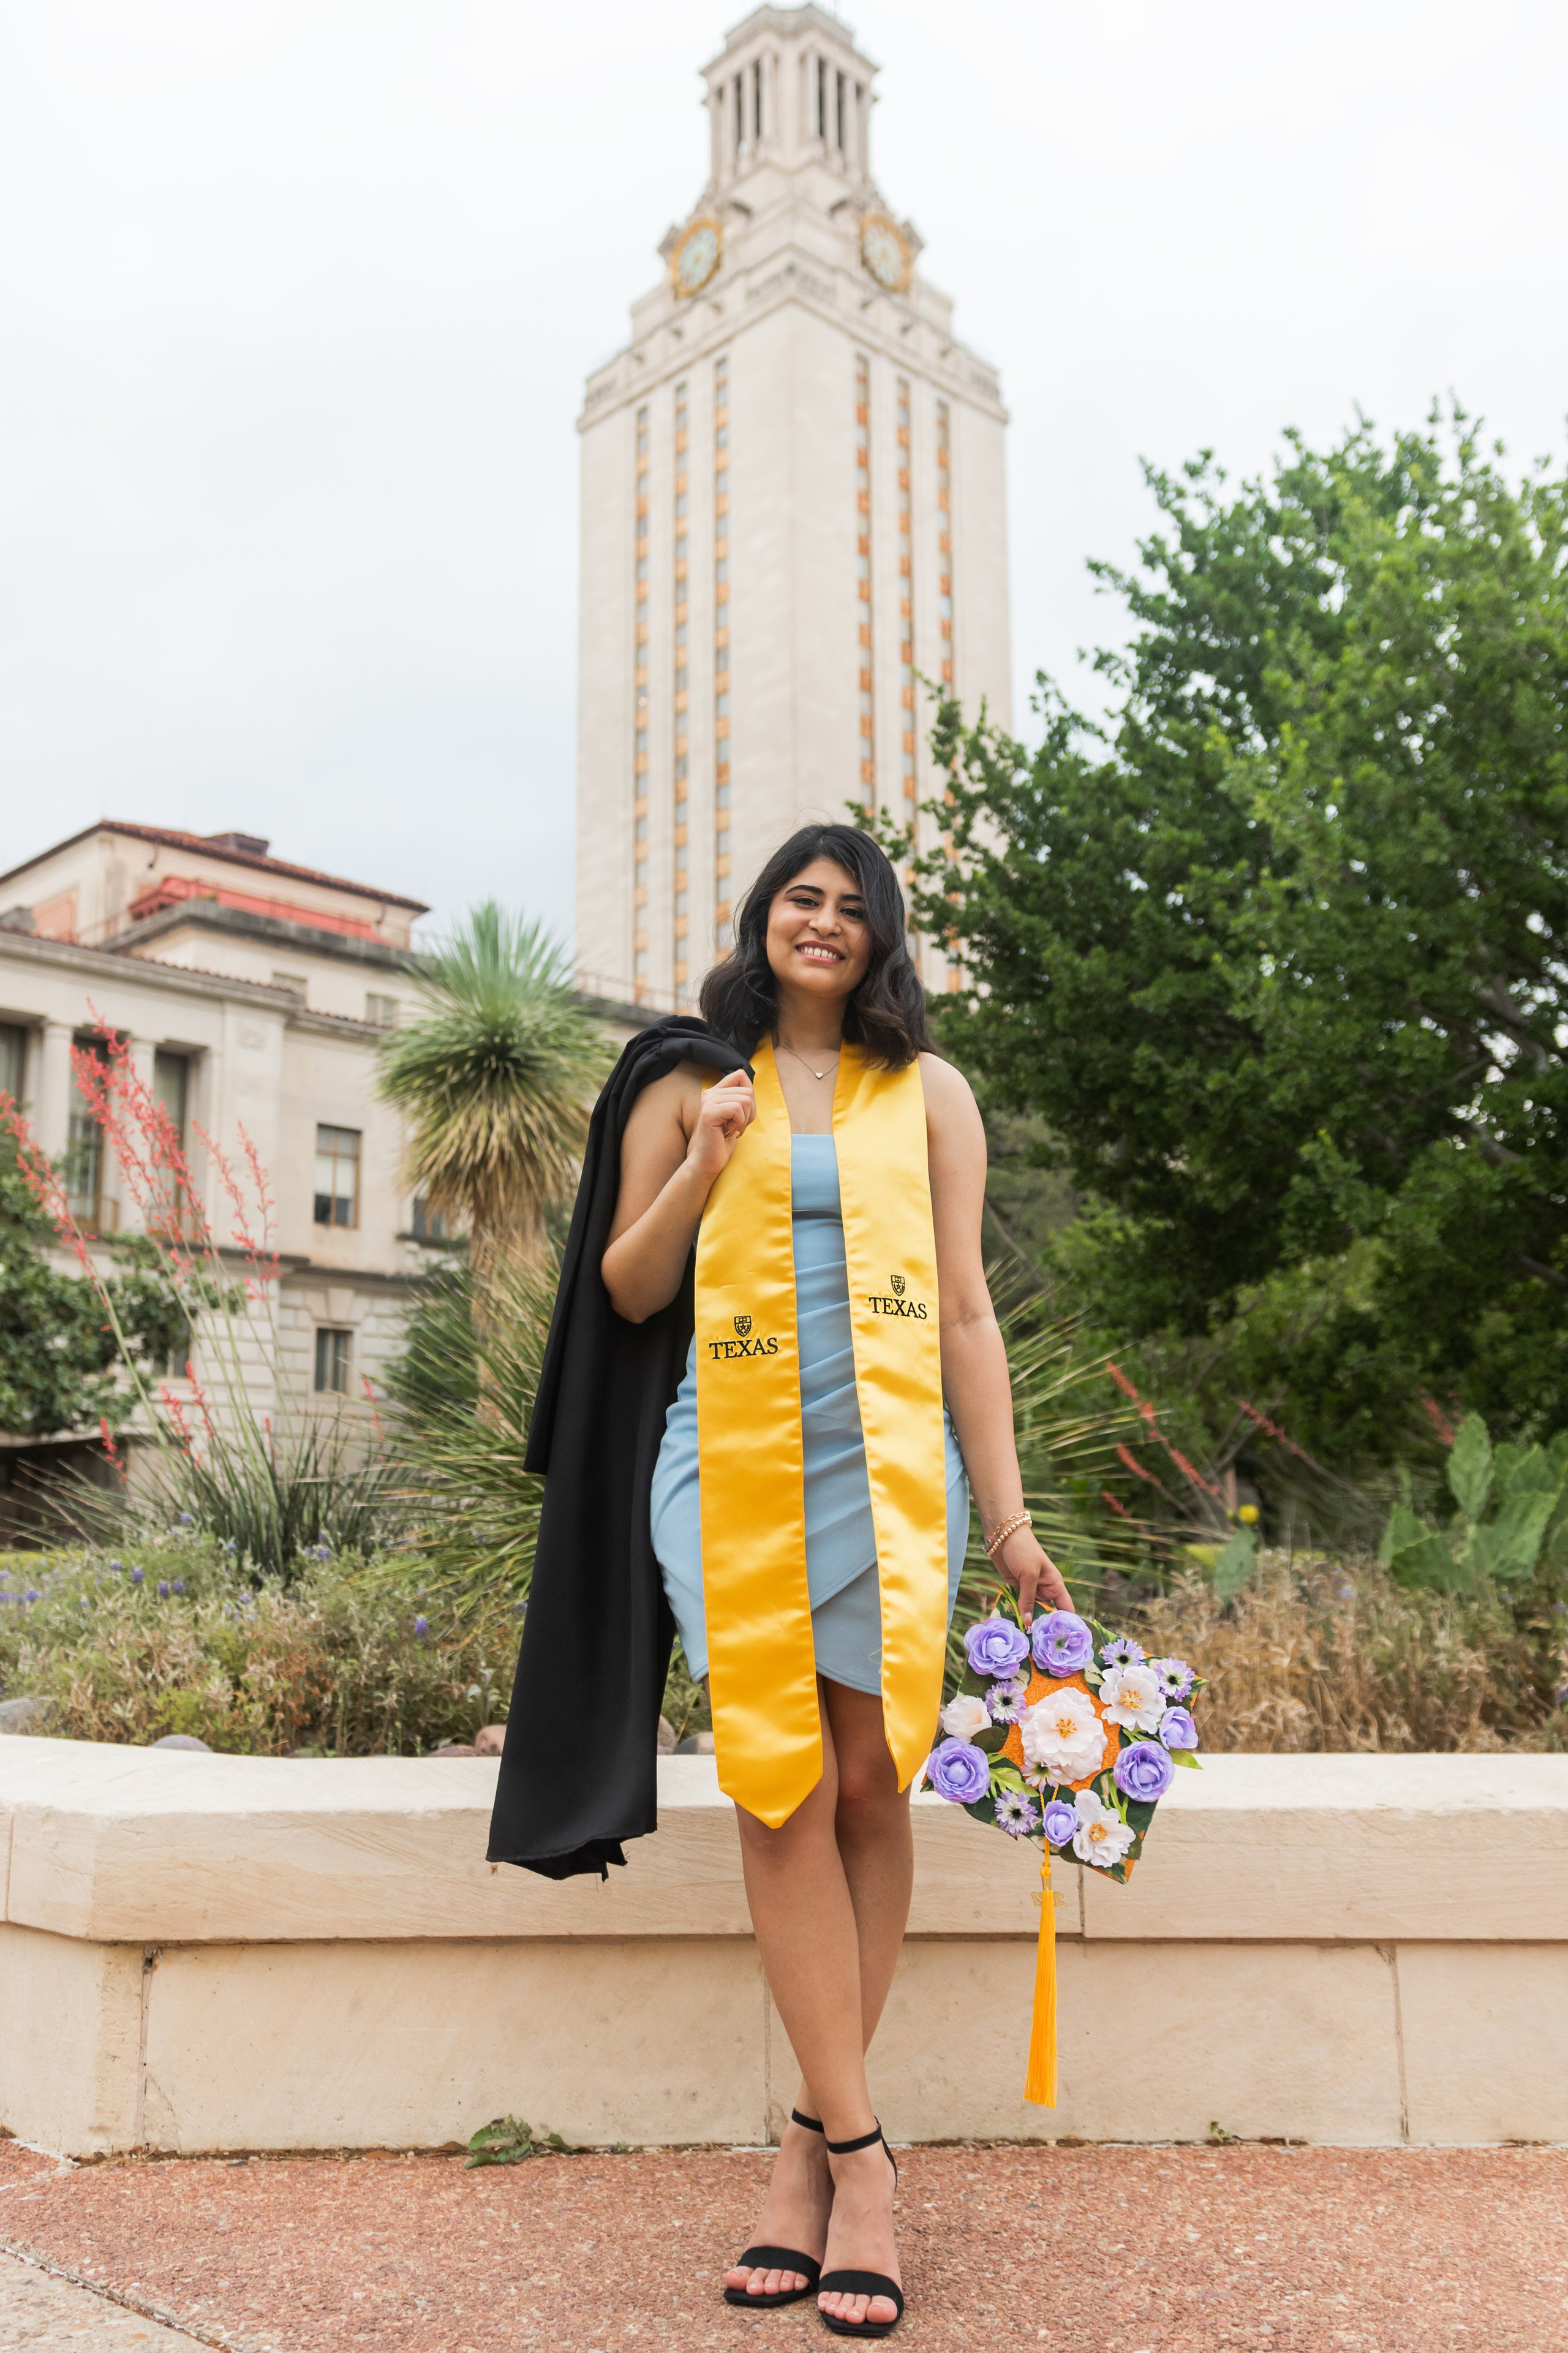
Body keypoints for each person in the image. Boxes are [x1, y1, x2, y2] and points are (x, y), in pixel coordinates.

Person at [592, 824, 1070, 2336]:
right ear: (761, 917)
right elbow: (627, 1282)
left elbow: (970, 1319)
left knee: (873, 1782)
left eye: (853, 910)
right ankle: (865, 2164)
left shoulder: (924, 1092)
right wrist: (706, 1162)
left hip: (885, 1466)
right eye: (802, 899)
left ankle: (803, 2152)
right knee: (777, 1782)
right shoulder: (684, 1079)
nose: (824, 923)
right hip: (719, 1462)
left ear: (881, 944)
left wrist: (1007, 1523)